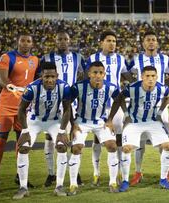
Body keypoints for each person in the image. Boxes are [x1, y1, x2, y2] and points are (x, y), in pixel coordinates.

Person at [107, 66, 169, 192]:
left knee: (168, 146)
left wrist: (160, 113)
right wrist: (126, 115)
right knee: (126, 148)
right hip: (134, 123)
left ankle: (163, 179)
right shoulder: (133, 88)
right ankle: (126, 181)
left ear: (157, 77)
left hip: (152, 122)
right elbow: (120, 98)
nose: (150, 79)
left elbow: (167, 97)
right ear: (142, 77)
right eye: (147, 76)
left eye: (153, 76)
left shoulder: (162, 88)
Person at [13, 62, 72, 199]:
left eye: (52, 76)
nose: (50, 79)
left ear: (57, 76)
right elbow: (21, 110)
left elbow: (67, 109)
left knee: (62, 147)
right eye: (46, 77)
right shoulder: (32, 88)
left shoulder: (64, 87)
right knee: (23, 148)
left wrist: (62, 132)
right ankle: (23, 188)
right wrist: (26, 130)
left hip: (54, 121)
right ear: (41, 76)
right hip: (35, 121)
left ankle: (59, 186)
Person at [0, 33, 39, 193]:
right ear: (17, 42)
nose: (25, 43)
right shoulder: (7, 57)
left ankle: (20, 176)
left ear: (32, 44)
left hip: (24, 107)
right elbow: (2, 80)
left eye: (28, 41)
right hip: (6, 106)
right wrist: (14, 89)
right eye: (22, 40)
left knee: (22, 140)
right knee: (0, 140)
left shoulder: (35, 60)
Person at [127, 30, 169, 185]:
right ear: (143, 43)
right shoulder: (137, 59)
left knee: (166, 139)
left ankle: (166, 174)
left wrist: (162, 105)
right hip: (141, 104)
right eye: (148, 40)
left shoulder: (165, 59)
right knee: (139, 140)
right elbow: (128, 74)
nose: (151, 42)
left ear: (157, 42)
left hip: (160, 103)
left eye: (154, 39)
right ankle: (138, 172)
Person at [41, 31, 86, 187]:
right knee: (49, 138)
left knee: (73, 137)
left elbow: (86, 75)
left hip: (70, 102)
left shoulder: (78, 57)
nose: (62, 41)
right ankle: (51, 173)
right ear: (55, 40)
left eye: (65, 39)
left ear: (69, 41)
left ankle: (76, 172)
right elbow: (39, 78)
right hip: (52, 103)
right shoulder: (46, 58)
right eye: (59, 39)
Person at [70, 61, 121, 193]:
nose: (98, 75)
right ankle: (73, 184)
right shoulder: (79, 86)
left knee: (112, 146)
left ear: (104, 74)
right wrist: (73, 123)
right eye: (95, 72)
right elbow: (66, 103)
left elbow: (118, 100)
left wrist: (110, 119)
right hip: (81, 121)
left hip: (100, 122)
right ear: (89, 74)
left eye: (100, 73)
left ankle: (113, 182)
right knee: (76, 148)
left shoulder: (111, 87)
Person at [87, 30, 129, 186]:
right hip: (97, 103)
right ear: (101, 42)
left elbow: (125, 76)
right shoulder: (92, 59)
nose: (112, 43)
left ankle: (116, 171)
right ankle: (96, 172)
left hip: (115, 104)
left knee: (117, 138)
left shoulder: (121, 59)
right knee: (97, 138)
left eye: (114, 41)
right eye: (109, 40)